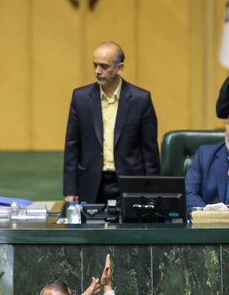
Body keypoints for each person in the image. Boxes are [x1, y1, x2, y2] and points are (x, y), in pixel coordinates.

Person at [63, 41, 160, 204]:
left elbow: (149, 150)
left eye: (104, 66)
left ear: (119, 68)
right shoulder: (80, 98)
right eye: (95, 65)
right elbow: (72, 146)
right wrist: (70, 189)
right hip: (90, 182)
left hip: (130, 182)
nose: (97, 71)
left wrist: (152, 190)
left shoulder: (140, 99)